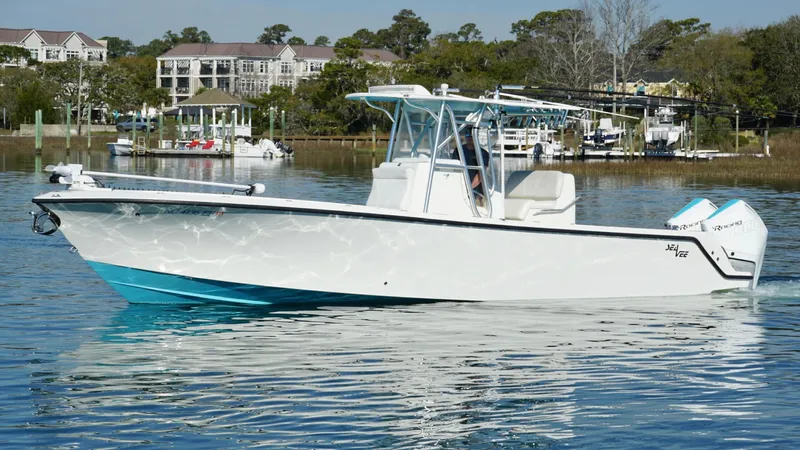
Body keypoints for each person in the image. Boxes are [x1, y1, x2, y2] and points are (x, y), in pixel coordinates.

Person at [452, 127, 490, 204]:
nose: (469, 137)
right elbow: (454, 170)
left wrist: (469, 189)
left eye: (471, 135)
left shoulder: (483, 153)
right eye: (467, 134)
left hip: (477, 193)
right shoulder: (458, 150)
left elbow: (481, 175)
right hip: (460, 190)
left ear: (476, 136)